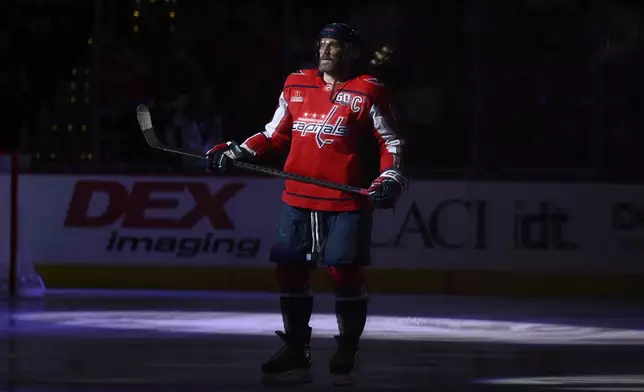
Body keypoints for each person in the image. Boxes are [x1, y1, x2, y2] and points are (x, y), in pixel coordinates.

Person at [205, 22, 407, 386]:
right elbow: (274, 134)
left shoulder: (369, 91)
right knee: (290, 271)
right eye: (321, 44)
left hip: (345, 200)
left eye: (334, 45)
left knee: (343, 274)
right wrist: (235, 151)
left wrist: (389, 177)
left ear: (352, 52)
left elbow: (389, 142)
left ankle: (348, 346)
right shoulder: (296, 83)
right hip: (297, 197)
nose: (325, 51)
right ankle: (296, 348)